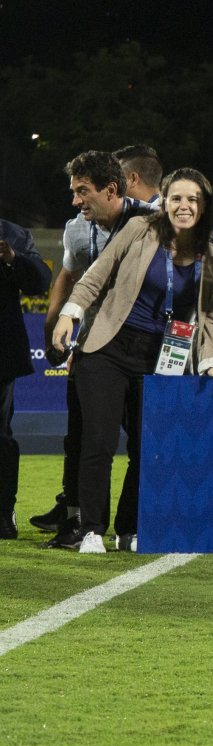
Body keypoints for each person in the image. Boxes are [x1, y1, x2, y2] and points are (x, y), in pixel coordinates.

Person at [50, 169, 213, 554]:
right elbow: (96, 275)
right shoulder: (141, 229)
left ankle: (128, 529)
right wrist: (69, 314)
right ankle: (91, 529)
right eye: (176, 198)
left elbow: (208, 315)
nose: (184, 206)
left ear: (203, 207)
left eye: (192, 200)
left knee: (147, 447)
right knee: (100, 442)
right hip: (108, 346)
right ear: (165, 201)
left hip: (161, 358)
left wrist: (209, 362)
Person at [35, 150, 158, 540]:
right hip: (92, 344)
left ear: (111, 190)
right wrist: (54, 325)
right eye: (74, 191)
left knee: (145, 441)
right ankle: (79, 521)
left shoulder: (152, 222)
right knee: (86, 437)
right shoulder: (76, 229)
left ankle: (132, 525)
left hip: (145, 347)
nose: (75, 201)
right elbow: (69, 277)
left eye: (82, 191)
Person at [0, 220, 51, 539]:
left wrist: (13, 258)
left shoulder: (12, 234)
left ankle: (3, 511)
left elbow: (40, 281)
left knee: (0, 435)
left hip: (1, 353)